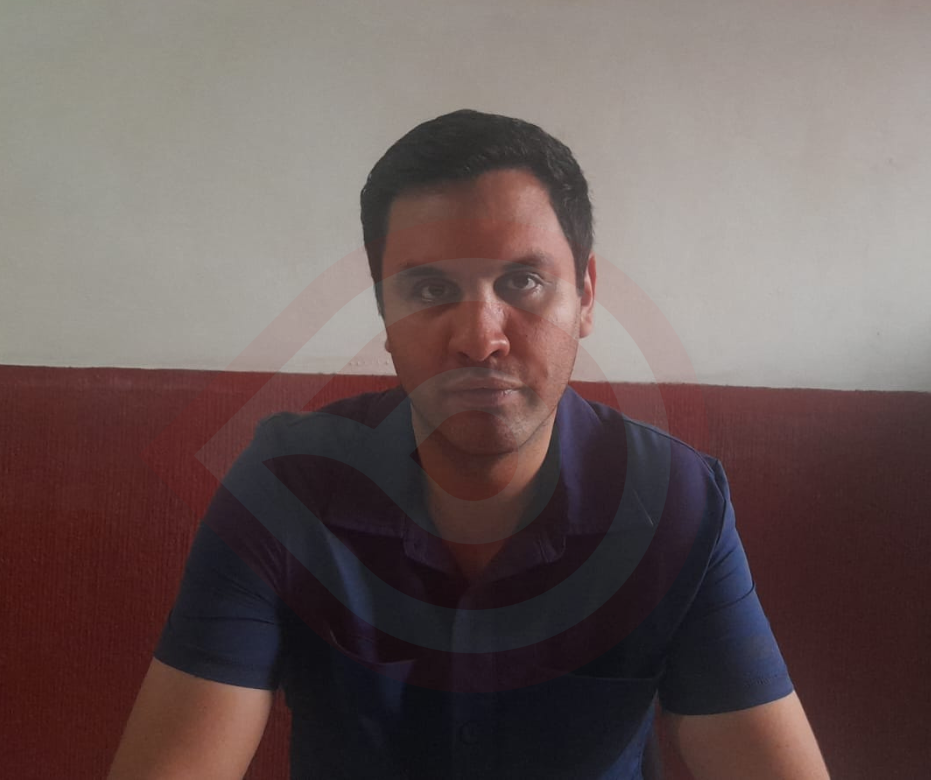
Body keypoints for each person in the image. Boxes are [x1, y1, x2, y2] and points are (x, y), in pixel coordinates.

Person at [108, 110, 829, 779]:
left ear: (585, 295)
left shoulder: (675, 501)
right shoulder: (286, 488)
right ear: (384, 312)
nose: (480, 339)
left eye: (523, 281)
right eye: (429, 290)